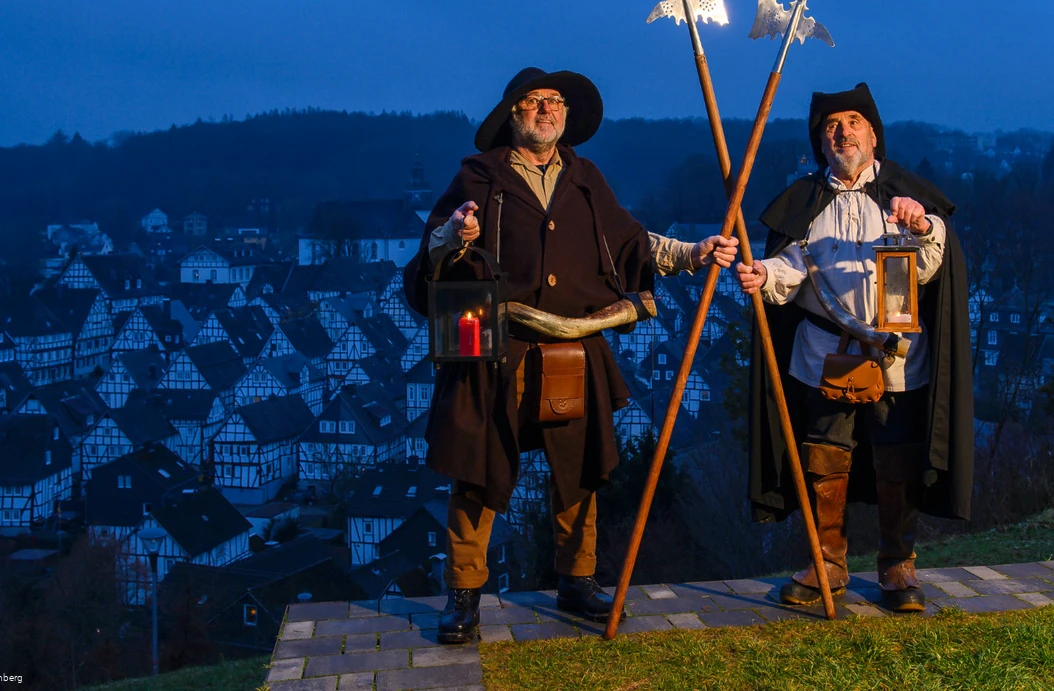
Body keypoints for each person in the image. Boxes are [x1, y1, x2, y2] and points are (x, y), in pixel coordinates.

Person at [404, 66, 737, 643]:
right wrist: (455, 235)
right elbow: (434, 251)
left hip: (573, 346)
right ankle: (463, 595)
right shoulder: (480, 177)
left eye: (555, 101)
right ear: (512, 114)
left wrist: (692, 253)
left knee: (578, 471)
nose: (547, 110)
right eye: (534, 101)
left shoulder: (584, 178)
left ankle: (578, 581)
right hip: (494, 350)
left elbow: (631, 242)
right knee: (477, 473)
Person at [737, 82, 972, 612]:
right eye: (830, 127)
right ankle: (827, 563)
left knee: (898, 459)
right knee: (824, 457)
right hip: (823, 355)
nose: (841, 133)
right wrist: (762, 275)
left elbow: (929, 267)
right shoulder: (804, 202)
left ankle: (897, 565)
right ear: (821, 142)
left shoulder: (903, 198)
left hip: (897, 358)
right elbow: (790, 269)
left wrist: (922, 224)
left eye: (852, 123)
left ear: (873, 135)